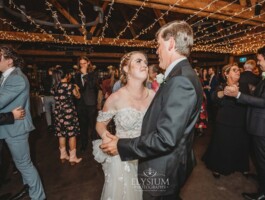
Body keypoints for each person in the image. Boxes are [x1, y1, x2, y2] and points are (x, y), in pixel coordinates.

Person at [101, 20, 203, 200]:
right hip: (165, 162)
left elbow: (165, 138)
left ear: (171, 43)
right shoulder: (181, 75)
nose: (156, 51)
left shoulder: (180, 80)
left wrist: (121, 145)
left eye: (158, 45)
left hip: (162, 168)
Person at [224, 44, 265, 200]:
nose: (258, 63)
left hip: (264, 127)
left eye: (260, 60)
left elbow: (264, 101)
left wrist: (238, 95)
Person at [93, 51, 155, 200]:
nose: (144, 65)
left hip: (148, 156)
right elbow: (100, 124)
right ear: (126, 69)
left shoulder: (154, 95)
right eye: (139, 61)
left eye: (145, 62)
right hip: (123, 160)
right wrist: (107, 139)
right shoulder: (116, 98)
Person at [0, 46, 46, 199]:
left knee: (24, 165)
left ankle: (38, 196)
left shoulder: (17, 78)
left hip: (15, 129)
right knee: (20, 164)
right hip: (8, 127)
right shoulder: (4, 77)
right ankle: (29, 188)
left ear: (9, 61)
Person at [202, 63, 249, 178]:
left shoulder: (244, 86)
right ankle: (218, 167)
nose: (238, 72)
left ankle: (239, 165)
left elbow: (249, 101)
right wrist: (225, 92)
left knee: (239, 144)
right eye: (234, 70)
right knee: (222, 144)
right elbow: (214, 97)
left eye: (238, 70)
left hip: (239, 121)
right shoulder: (221, 86)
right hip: (224, 122)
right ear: (226, 74)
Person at [52, 68, 82, 165]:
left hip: (58, 112)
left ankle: (63, 155)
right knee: (72, 134)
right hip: (68, 112)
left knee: (61, 134)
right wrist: (77, 88)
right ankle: (73, 158)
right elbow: (78, 96)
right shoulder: (70, 86)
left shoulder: (54, 87)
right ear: (67, 75)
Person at [74, 56, 99, 151]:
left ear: (88, 63)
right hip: (80, 103)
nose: (83, 65)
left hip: (91, 102)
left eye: (84, 63)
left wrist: (85, 75)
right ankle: (84, 143)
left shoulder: (93, 74)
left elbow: (92, 86)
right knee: (83, 125)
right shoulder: (77, 74)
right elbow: (80, 88)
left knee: (93, 125)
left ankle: (95, 144)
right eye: (81, 64)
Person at [41, 67, 55, 133]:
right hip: (53, 96)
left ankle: (49, 125)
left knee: (47, 112)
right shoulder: (54, 78)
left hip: (46, 96)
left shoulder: (44, 78)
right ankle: (56, 124)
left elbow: (43, 86)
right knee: (55, 111)